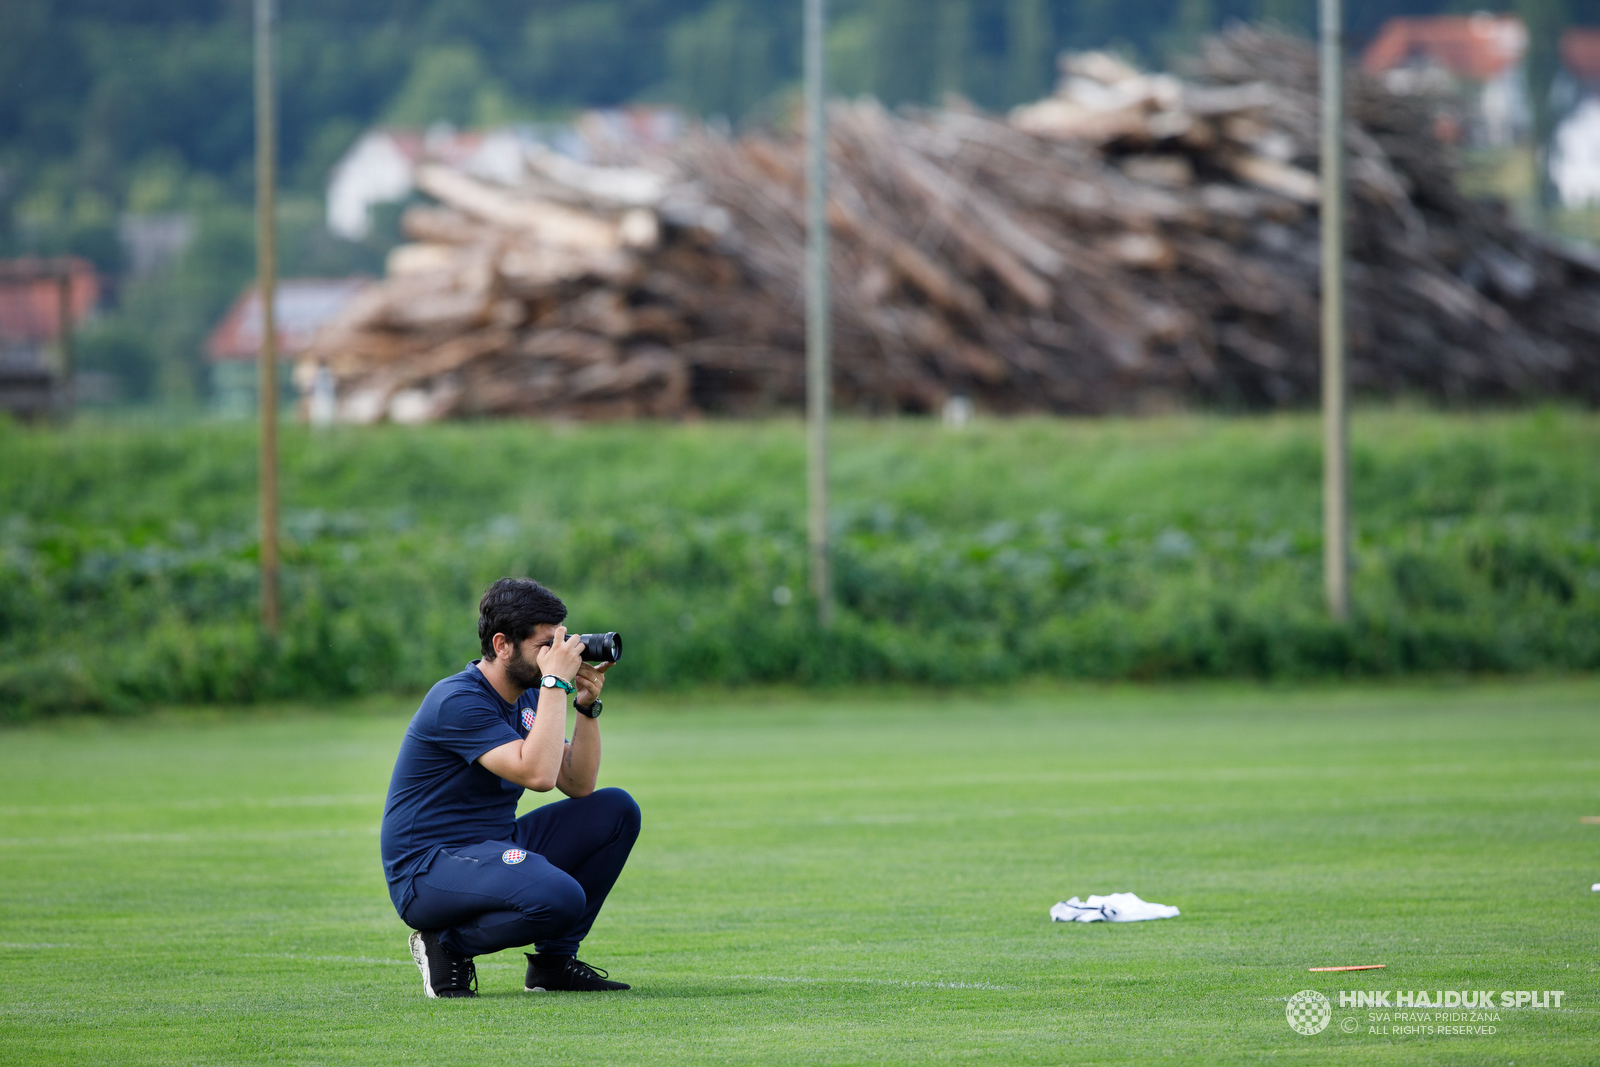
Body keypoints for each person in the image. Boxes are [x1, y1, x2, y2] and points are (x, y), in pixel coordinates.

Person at [381, 577, 641, 998]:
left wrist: (586, 709)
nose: (557, 654)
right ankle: (444, 945)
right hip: (429, 867)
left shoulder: (530, 695)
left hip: (493, 844)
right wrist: (556, 684)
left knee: (615, 811)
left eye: (560, 641)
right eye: (546, 645)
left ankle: (553, 966)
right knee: (560, 897)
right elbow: (537, 776)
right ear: (502, 645)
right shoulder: (457, 700)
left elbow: (576, 784)